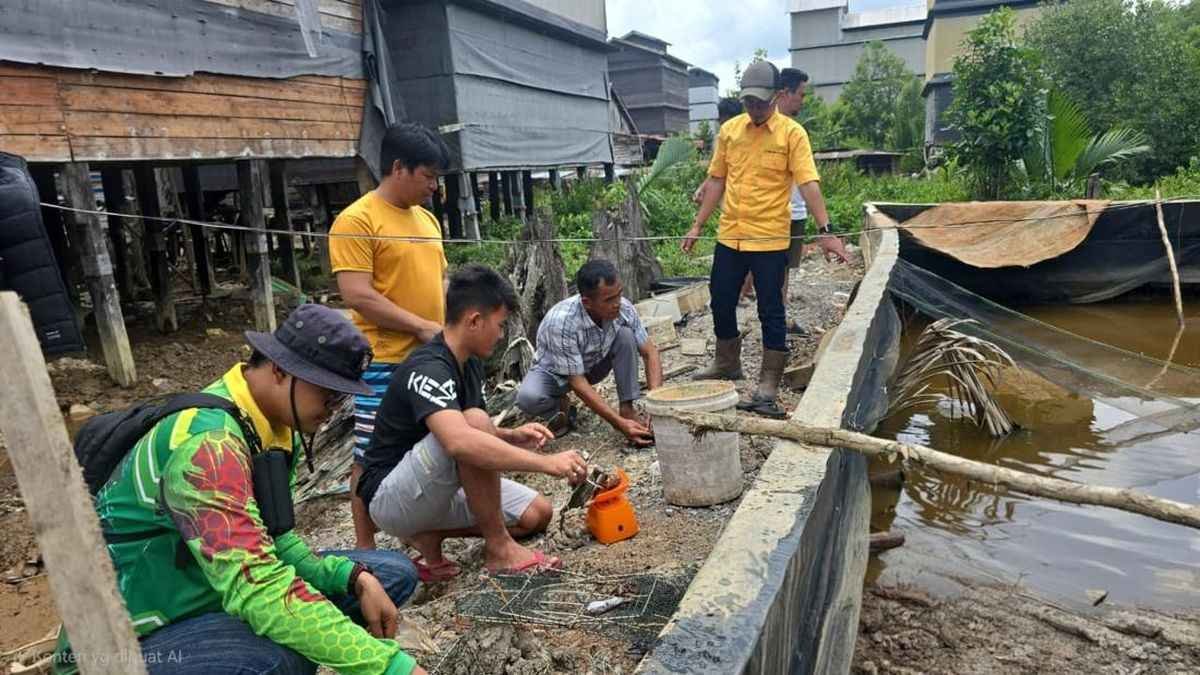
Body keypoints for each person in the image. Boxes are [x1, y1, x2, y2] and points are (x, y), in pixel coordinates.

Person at [55, 304, 427, 675]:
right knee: (279, 659)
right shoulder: (208, 446)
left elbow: (276, 543)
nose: (334, 407)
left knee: (388, 574)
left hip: (205, 594)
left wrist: (353, 576)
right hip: (127, 639)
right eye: (327, 393)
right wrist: (391, 668)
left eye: (342, 397)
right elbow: (256, 585)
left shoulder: (273, 427)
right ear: (280, 370)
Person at [360, 265, 589, 577]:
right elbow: (460, 440)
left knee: (536, 514)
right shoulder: (429, 367)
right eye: (500, 324)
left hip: (435, 486)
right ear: (474, 320)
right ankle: (500, 548)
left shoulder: (468, 363)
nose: (502, 334)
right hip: (391, 498)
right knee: (475, 423)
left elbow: (466, 430)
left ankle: (430, 534)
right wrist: (548, 463)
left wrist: (511, 435)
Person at [682, 60, 847, 419]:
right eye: (749, 102)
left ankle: (768, 385)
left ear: (776, 95)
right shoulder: (730, 131)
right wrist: (697, 225)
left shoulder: (792, 134)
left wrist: (826, 232)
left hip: (770, 239)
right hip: (731, 235)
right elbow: (716, 181)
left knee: (771, 309)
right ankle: (727, 363)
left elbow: (808, 184)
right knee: (721, 298)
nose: (754, 108)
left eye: (760, 101)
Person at [330, 122, 450, 550]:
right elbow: (357, 294)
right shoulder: (356, 220)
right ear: (398, 167)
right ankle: (367, 548)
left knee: (428, 449)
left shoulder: (427, 220)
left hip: (430, 356)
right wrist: (419, 326)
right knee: (372, 452)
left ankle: (423, 540)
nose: (434, 186)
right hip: (383, 359)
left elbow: (439, 280)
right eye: (428, 175)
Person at [515, 259, 663, 447]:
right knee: (528, 398)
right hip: (555, 374)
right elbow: (576, 381)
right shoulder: (561, 322)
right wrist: (618, 424)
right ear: (587, 303)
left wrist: (657, 407)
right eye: (609, 300)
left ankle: (627, 409)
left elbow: (650, 353)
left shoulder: (624, 308)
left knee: (625, 336)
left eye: (619, 294)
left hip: (593, 365)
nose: (617, 304)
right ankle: (562, 409)